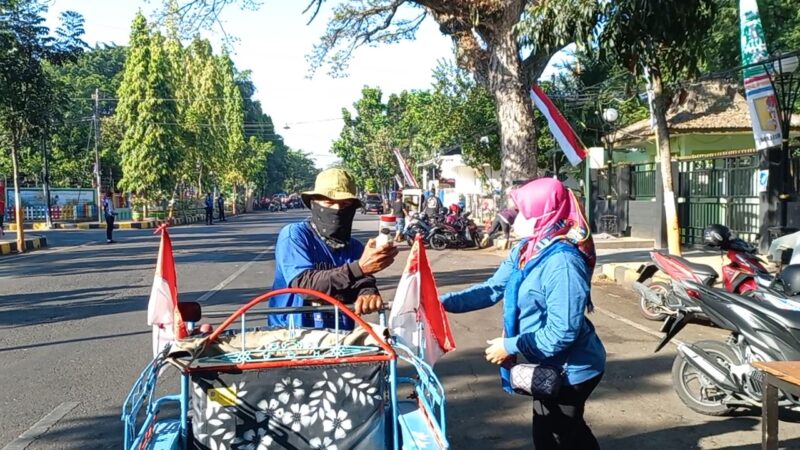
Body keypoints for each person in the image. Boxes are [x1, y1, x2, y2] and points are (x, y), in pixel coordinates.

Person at [440, 177, 605, 450]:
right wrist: (440, 303)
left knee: (554, 438)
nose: (513, 218)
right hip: (546, 364)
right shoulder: (528, 248)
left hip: (571, 371)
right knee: (568, 434)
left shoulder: (562, 262)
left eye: (520, 211)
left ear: (543, 212)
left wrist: (510, 345)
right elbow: (492, 289)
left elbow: (562, 332)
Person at [269, 168, 399, 329]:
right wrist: (359, 268)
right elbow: (303, 285)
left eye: (344, 204)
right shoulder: (295, 235)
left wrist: (368, 293)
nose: (337, 209)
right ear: (314, 203)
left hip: (339, 338)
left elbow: (364, 281)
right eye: (329, 202)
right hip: (291, 336)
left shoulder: (355, 247)